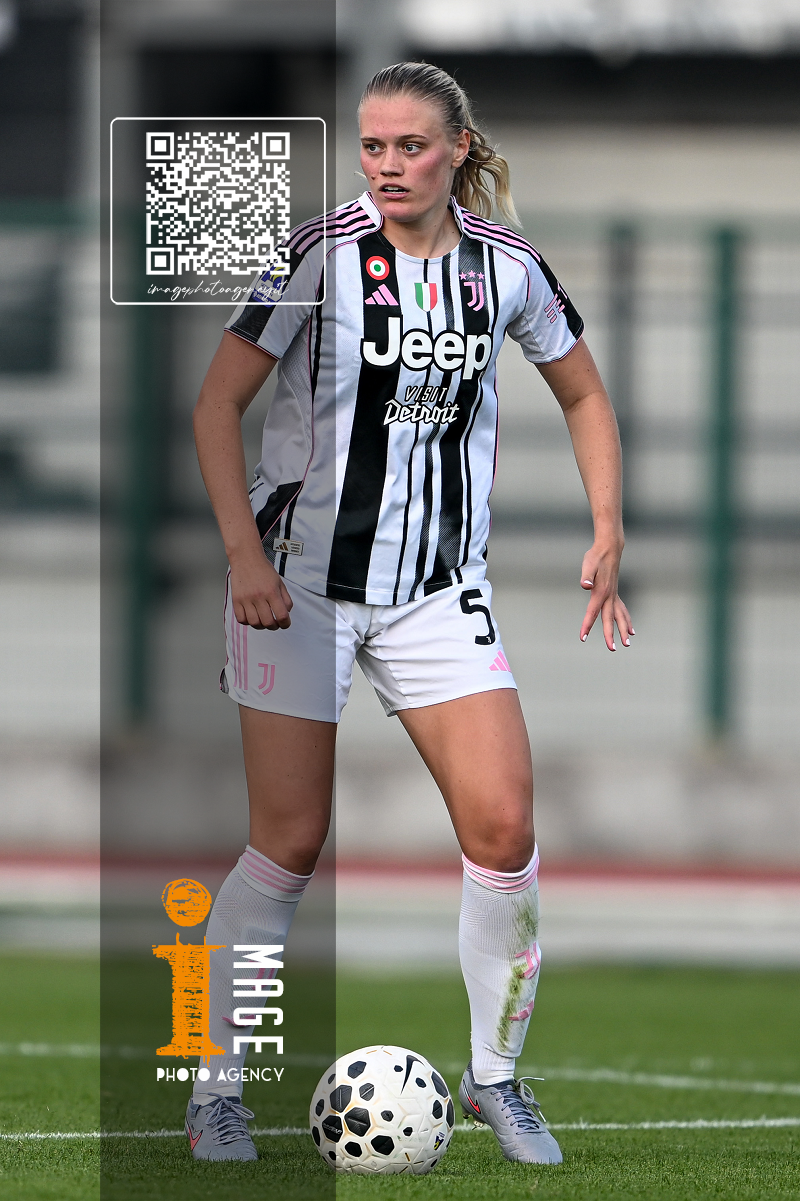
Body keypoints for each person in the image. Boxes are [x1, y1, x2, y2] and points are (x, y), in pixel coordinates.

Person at [184, 61, 633, 1166]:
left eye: (411, 147)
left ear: (457, 150)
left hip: (437, 591)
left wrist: (606, 528)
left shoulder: (505, 267)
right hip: (298, 584)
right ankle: (214, 1088)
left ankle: (494, 1078)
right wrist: (244, 558)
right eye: (373, 146)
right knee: (288, 841)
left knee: (505, 830)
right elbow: (216, 404)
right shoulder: (319, 254)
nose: (388, 166)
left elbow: (583, 390)